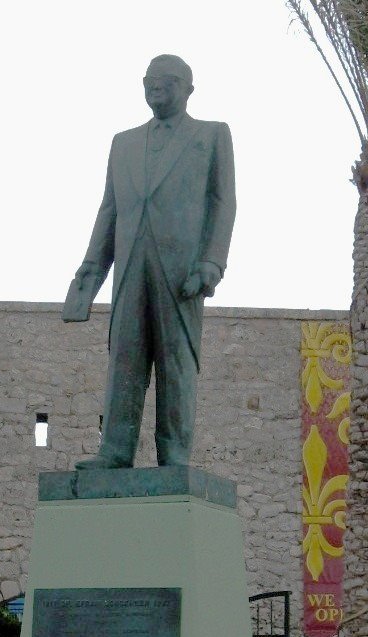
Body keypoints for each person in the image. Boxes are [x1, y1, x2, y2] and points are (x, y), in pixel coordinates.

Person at [64, 54, 236, 469]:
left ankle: (174, 456)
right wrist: (89, 275)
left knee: (176, 363)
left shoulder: (211, 135)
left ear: (188, 89)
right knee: (124, 359)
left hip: (183, 273)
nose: (156, 86)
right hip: (129, 271)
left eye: (167, 80)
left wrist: (211, 265)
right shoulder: (122, 143)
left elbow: (223, 202)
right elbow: (109, 211)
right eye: (149, 80)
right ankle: (115, 451)